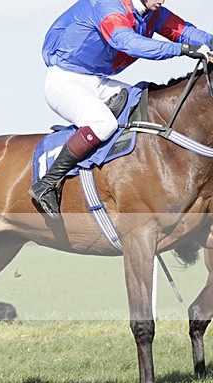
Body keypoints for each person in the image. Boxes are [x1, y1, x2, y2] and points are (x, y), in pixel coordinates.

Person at [29, 0, 213, 219]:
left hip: (97, 81)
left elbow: (186, 32)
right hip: (64, 80)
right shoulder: (108, 5)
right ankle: (47, 184)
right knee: (103, 123)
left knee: (146, 101)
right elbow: (128, 42)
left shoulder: (154, 13)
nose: (163, 0)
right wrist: (182, 50)